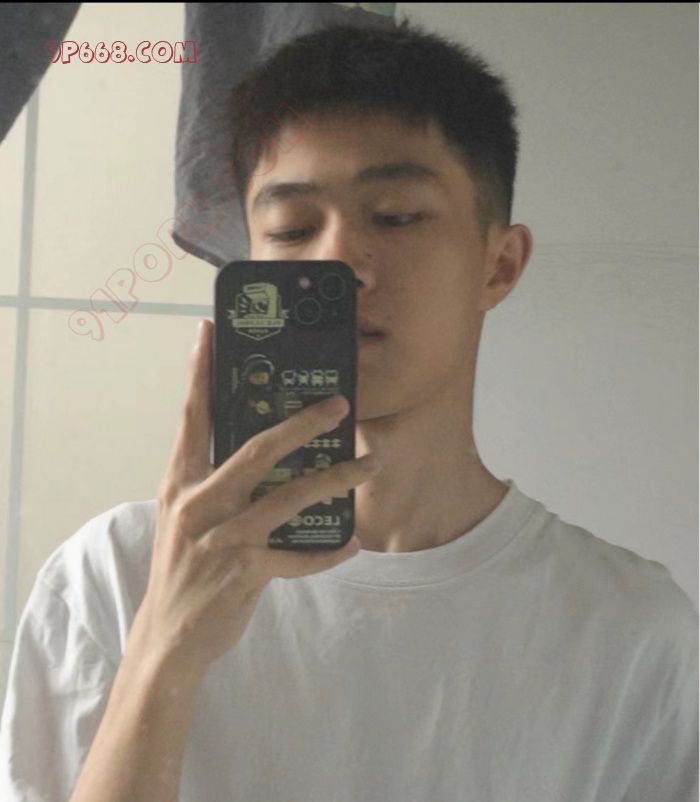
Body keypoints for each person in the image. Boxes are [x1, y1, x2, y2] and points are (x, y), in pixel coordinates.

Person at [1, 18, 697, 802]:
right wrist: (164, 648)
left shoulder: (631, 631)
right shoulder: (112, 577)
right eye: (292, 228)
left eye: (395, 216)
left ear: (499, 265)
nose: (338, 260)